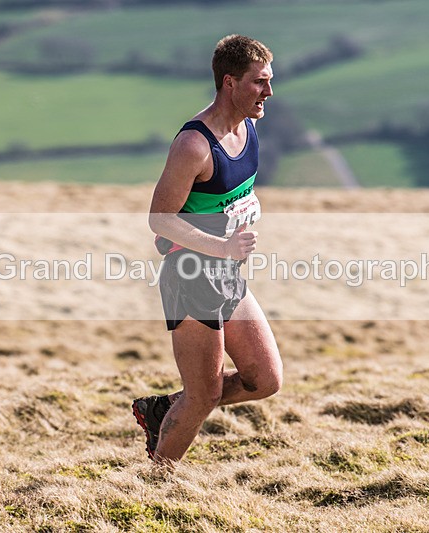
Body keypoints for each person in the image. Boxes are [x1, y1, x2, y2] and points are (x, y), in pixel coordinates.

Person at [132, 35, 283, 465]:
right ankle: (157, 484)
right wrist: (223, 244)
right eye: (259, 83)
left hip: (227, 274)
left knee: (265, 379)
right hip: (191, 277)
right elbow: (160, 220)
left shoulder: (249, 127)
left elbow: (230, 195)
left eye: (270, 81)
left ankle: (164, 409)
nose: (268, 92)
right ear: (229, 83)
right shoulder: (194, 146)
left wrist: (247, 207)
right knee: (204, 395)